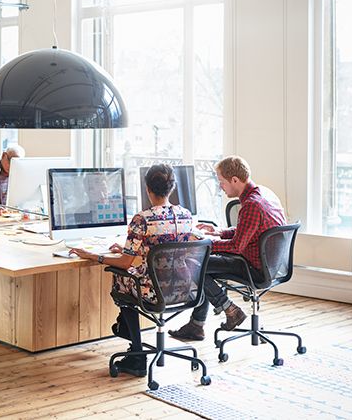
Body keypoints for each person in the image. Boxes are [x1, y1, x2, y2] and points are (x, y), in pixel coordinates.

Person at [69, 164, 196, 377]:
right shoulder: (185, 215)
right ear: (171, 188)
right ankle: (128, 334)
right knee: (131, 278)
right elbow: (163, 249)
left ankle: (136, 353)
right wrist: (129, 249)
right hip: (182, 287)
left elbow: (126, 263)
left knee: (121, 281)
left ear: (148, 189)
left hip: (153, 290)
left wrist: (94, 256)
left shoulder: (142, 219)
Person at [168, 155, 286, 342]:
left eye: (221, 182)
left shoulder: (251, 205)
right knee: (202, 265)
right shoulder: (264, 194)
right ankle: (197, 325)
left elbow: (237, 247)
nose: (220, 186)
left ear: (235, 180)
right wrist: (219, 232)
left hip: (254, 268)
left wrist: (203, 245)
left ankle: (230, 310)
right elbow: (250, 231)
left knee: (194, 264)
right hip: (272, 265)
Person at [0, 144, 25, 211]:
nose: (12, 166)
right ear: (3, 155)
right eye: (11, 161)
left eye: (17, 163)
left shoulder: (18, 173)